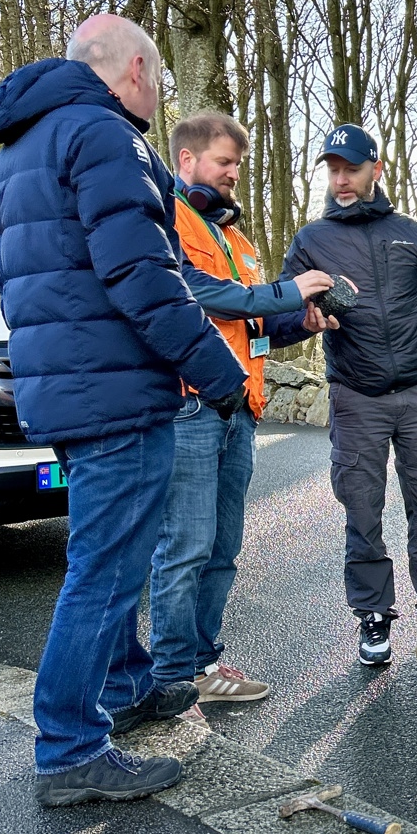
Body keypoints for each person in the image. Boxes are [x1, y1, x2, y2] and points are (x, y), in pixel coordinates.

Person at [0, 15, 246, 806]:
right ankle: (68, 746)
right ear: (134, 70)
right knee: (104, 569)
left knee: (109, 552)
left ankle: (126, 684)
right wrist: (216, 370)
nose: (159, 96)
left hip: (67, 388)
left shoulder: (16, 152)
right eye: (158, 79)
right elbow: (143, 275)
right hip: (115, 388)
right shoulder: (105, 136)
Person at [148, 112, 336, 718]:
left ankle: (201, 664)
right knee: (185, 547)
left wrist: (297, 321)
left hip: (241, 409)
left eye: (238, 164)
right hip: (191, 405)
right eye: (224, 162)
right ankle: (171, 676)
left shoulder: (239, 240)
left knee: (222, 548)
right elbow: (194, 292)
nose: (234, 173)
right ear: (186, 160)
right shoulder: (163, 218)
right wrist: (287, 292)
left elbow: (249, 323)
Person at [283, 124, 417, 666]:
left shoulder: (413, 234)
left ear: (376, 169)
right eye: (333, 170)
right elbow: (283, 314)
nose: (341, 180)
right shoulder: (312, 241)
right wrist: (304, 320)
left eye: (351, 169)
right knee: (362, 509)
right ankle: (373, 613)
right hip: (356, 396)